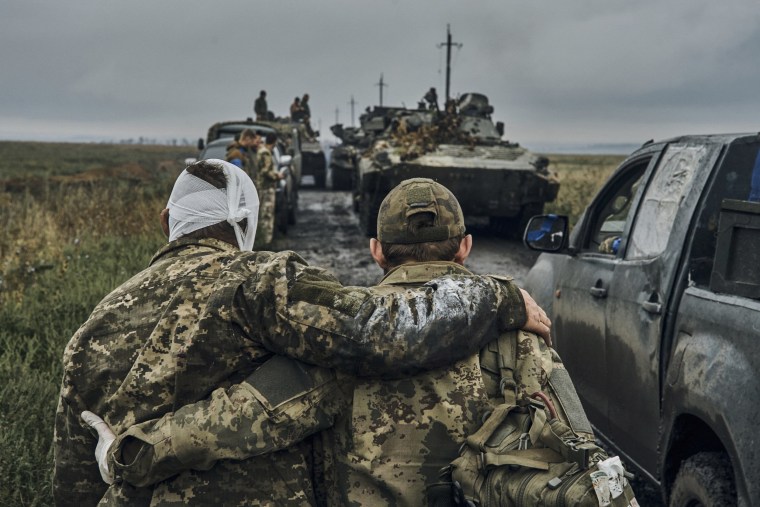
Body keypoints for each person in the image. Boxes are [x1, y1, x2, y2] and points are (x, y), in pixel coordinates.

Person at [53, 163, 550, 506]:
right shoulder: (262, 283)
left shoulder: (87, 334)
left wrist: (132, 454)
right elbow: (370, 330)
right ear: (465, 246)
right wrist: (498, 297)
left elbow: (72, 483)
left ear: (378, 250)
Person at [254, 132, 283, 248]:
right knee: (267, 215)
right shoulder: (265, 152)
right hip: (266, 187)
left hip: (261, 187)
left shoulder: (260, 151)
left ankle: (262, 240)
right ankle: (266, 242)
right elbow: (265, 171)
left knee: (262, 214)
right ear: (274, 141)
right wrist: (277, 176)